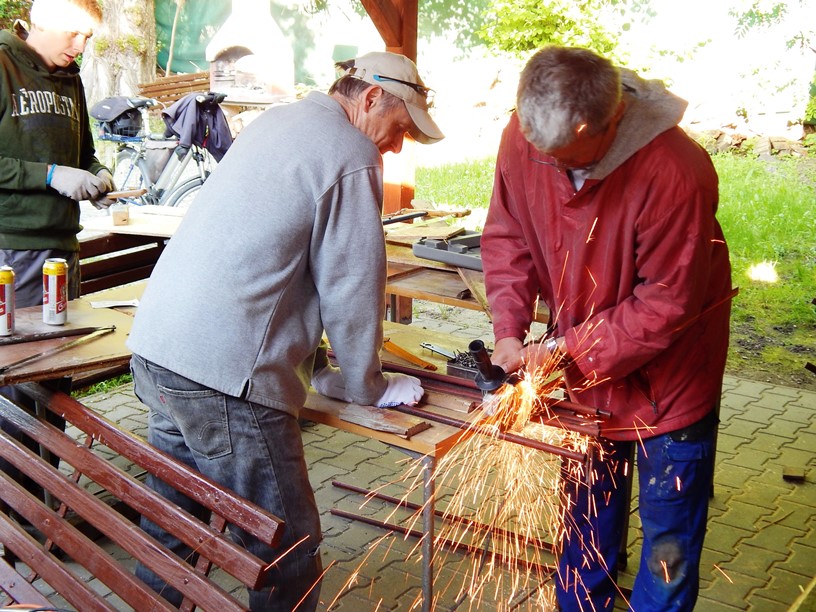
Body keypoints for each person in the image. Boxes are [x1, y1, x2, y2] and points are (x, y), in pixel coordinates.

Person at [126, 51, 443, 610]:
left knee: (175, 526)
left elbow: (274, 257)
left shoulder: (279, 120)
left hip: (159, 352)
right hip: (225, 379)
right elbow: (351, 285)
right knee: (286, 552)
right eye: (399, 129)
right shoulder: (351, 152)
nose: (396, 147)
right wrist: (366, 385)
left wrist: (318, 370)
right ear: (371, 98)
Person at [481, 46, 732, 611]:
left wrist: (563, 348)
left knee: (667, 548)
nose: (549, 166)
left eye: (565, 158)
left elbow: (666, 303)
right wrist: (508, 332)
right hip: (587, 373)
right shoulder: (524, 136)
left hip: (670, 383)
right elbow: (508, 237)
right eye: (540, 153)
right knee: (585, 528)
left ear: (610, 119)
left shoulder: (675, 170)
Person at [0, 0, 113, 523]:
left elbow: (83, 151)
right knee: (18, 383)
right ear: (41, 19)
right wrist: (48, 175)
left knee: (54, 381)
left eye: (87, 37)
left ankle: (43, 512)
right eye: (74, 33)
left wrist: (96, 174)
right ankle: (15, 521)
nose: (80, 46)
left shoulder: (71, 79)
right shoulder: (4, 64)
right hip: (11, 248)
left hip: (62, 250)